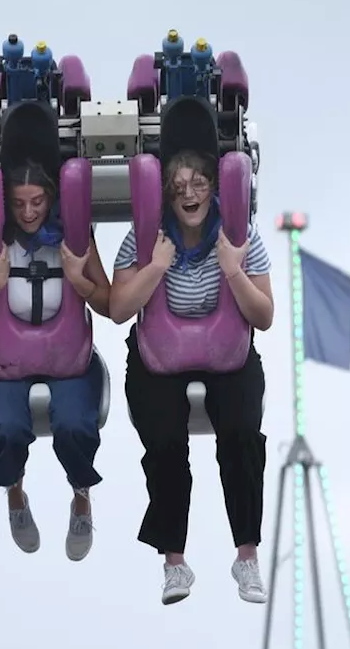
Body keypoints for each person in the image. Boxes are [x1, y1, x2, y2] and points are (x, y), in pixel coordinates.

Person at [108, 149, 274, 605]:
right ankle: (174, 563)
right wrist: (156, 266)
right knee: (164, 445)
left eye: (198, 183)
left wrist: (233, 271)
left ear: (214, 188)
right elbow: (119, 310)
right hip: (159, 356)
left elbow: (264, 316)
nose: (189, 193)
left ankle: (246, 555)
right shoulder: (143, 238)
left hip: (227, 354)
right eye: (178, 186)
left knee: (241, 435)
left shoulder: (242, 237)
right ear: (166, 194)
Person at [0, 160, 113, 560]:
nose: (28, 212)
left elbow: (110, 303)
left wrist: (79, 278)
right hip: (7, 365)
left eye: (37, 202)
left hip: (68, 361)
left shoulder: (75, 239)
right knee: (5, 428)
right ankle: (15, 491)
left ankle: (81, 495)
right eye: (19, 203)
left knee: (75, 425)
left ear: (51, 200)